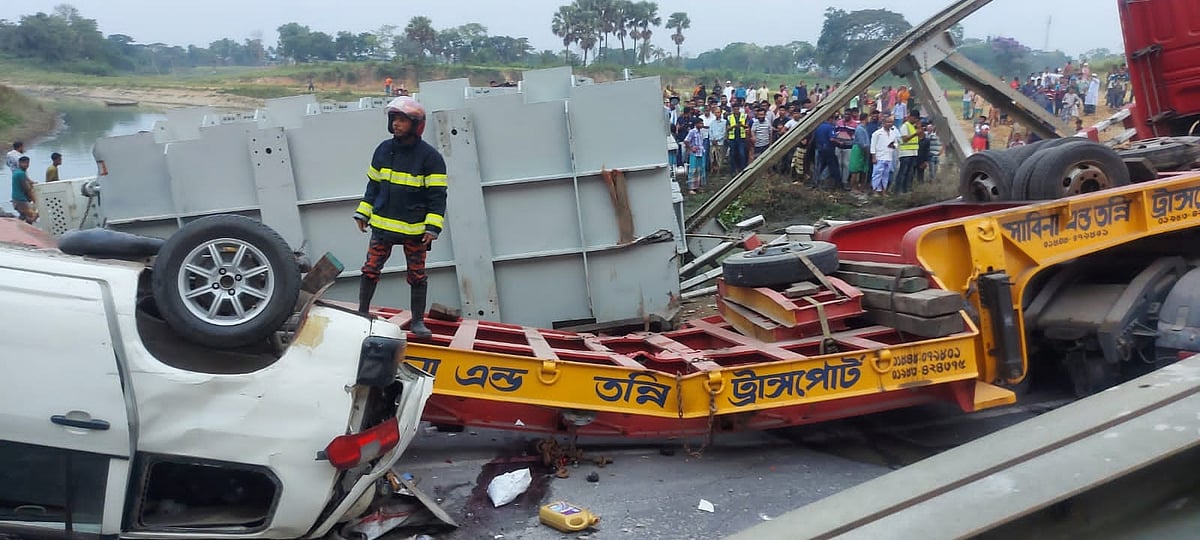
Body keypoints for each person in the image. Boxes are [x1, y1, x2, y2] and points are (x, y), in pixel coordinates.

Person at [354, 96, 446, 339]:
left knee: (417, 276)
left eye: (402, 119)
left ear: (416, 124)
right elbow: (372, 185)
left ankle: (417, 322)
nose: (396, 124)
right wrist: (363, 212)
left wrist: (432, 227)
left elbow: (437, 197)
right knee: (370, 269)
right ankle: (362, 312)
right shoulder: (383, 150)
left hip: (414, 230)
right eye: (394, 118)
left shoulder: (431, 158)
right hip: (382, 226)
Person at [893, 110, 922, 194]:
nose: (916, 121)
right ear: (911, 117)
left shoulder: (914, 126)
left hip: (913, 152)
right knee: (903, 172)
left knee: (910, 173)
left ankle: (906, 189)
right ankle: (898, 190)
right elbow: (905, 139)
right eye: (915, 119)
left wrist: (919, 128)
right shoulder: (905, 126)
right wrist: (915, 133)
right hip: (905, 153)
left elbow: (920, 137)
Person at [869, 115, 897, 195]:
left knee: (886, 175)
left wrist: (893, 145)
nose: (889, 124)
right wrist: (873, 157)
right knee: (877, 174)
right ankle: (875, 191)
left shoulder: (893, 133)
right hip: (879, 157)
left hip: (889, 156)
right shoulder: (877, 133)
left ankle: (883, 191)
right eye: (888, 122)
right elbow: (873, 146)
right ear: (883, 123)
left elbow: (896, 144)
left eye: (891, 122)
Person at [11, 156, 37, 224]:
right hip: (20, 200)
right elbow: (27, 189)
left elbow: (28, 181)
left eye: (27, 163)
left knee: (23, 216)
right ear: (19, 163)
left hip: (16, 199)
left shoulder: (17, 172)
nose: (26, 165)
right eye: (24, 163)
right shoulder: (21, 173)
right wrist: (35, 200)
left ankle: (18, 227)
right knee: (33, 215)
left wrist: (33, 183)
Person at [726, 102, 750, 174]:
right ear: (732, 109)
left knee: (741, 154)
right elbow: (727, 128)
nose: (736, 110)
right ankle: (733, 170)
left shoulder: (744, 116)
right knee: (732, 154)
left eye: (737, 109)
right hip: (732, 138)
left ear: (739, 109)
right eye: (734, 109)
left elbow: (747, 126)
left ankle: (742, 169)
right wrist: (734, 126)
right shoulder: (729, 117)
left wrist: (741, 125)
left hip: (741, 138)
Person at [684, 119, 705, 194]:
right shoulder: (692, 131)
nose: (702, 125)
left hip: (701, 152)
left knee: (700, 170)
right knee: (693, 171)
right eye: (700, 123)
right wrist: (691, 148)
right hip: (694, 154)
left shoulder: (701, 132)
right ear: (696, 124)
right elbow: (686, 141)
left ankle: (698, 186)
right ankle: (691, 188)